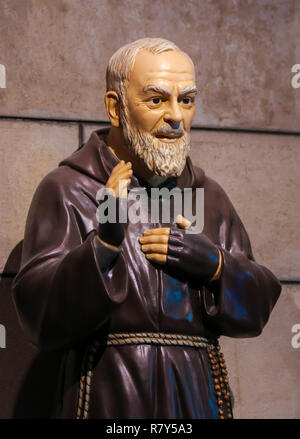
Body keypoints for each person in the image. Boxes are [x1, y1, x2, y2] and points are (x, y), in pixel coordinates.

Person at [12, 38, 281, 419]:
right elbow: (39, 316)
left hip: (194, 392)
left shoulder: (208, 196)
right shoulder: (70, 189)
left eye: (186, 100)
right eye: (156, 100)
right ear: (115, 107)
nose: (175, 116)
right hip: (110, 389)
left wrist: (217, 266)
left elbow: (257, 306)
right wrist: (104, 246)